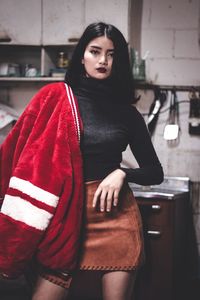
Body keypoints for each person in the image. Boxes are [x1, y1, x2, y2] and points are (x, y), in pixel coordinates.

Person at [0, 22, 163, 300]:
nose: (103, 61)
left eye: (111, 54)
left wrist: (122, 174)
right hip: (66, 217)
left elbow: (155, 172)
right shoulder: (56, 98)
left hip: (116, 218)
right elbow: (16, 152)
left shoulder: (127, 114)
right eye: (95, 51)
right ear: (82, 55)